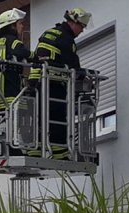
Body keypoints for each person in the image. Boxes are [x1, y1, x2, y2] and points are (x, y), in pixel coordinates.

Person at [30, 8, 92, 156]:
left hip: (37, 83)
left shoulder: (49, 32)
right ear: (72, 23)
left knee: (40, 118)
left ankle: (37, 149)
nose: (82, 31)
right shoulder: (66, 38)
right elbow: (73, 65)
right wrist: (83, 76)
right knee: (58, 117)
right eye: (81, 27)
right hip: (54, 83)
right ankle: (61, 153)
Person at [0, 8, 32, 113]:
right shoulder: (13, 41)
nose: (22, 26)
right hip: (12, 94)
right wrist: (35, 56)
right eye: (20, 23)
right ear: (12, 25)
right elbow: (21, 52)